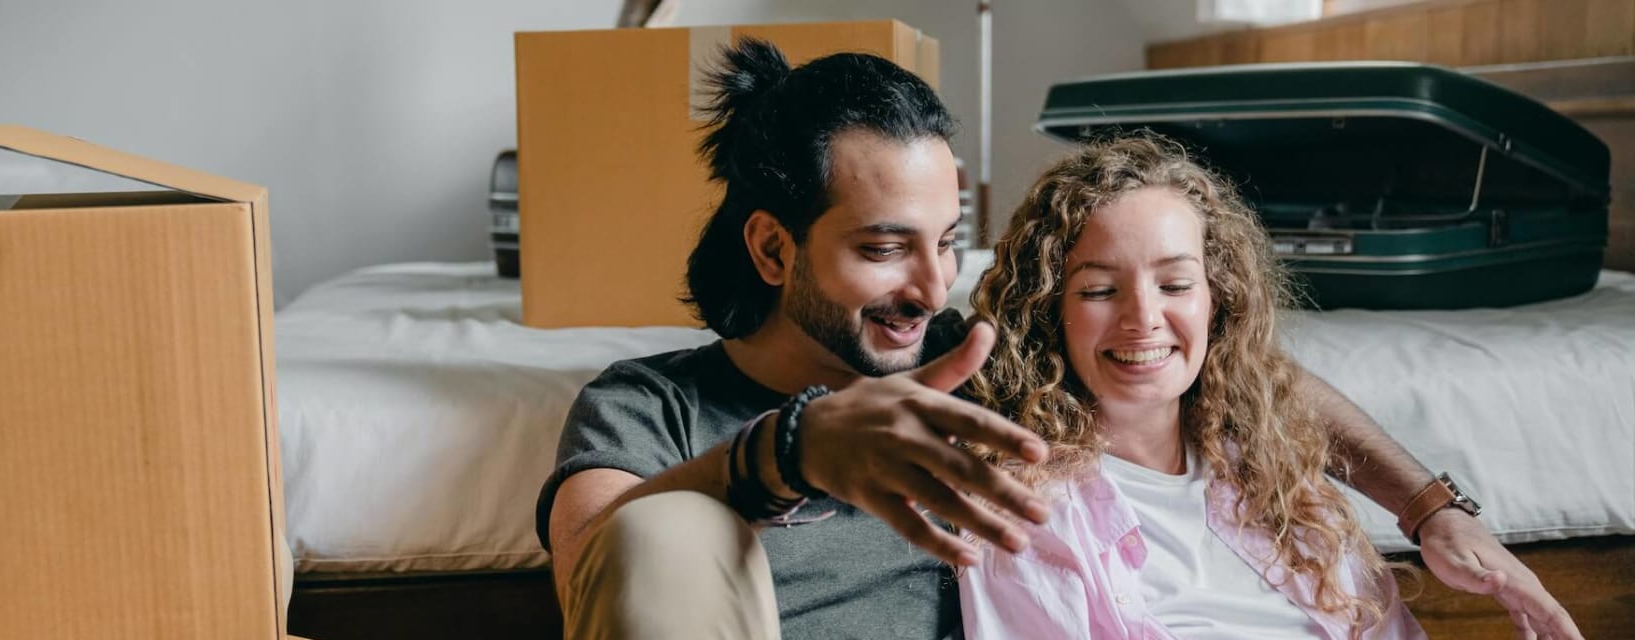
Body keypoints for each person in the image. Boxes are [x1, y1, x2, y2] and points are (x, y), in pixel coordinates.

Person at [534, 39, 1578, 640]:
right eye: (884, 248)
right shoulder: (652, 401)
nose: (931, 284)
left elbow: (1219, 364)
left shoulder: (972, 358)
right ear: (772, 248)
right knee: (665, 527)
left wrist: (1427, 505)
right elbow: (598, 567)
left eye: (947, 242)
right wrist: (793, 450)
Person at [957, 134, 1428, 638]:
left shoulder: (1282, 478)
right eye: (1099, 290)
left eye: (1175, 285)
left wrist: (1437, 510)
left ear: (1217, 299)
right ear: (1051, 312)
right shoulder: (1027, 512)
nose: (1143, 318)